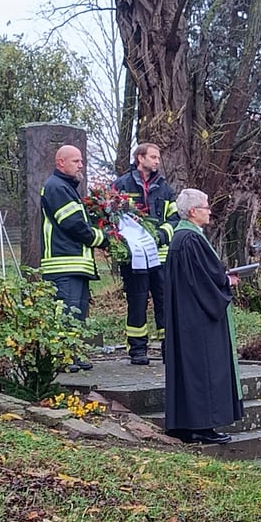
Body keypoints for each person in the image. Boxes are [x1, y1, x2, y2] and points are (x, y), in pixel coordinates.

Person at [162, 188, 243, 444]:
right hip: (198, 318)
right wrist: (226, 280)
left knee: (189, 369)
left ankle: (184, 425)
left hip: (185, 315)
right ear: (194, 211)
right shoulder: (191, 240)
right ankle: (202, 426)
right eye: (206, 207)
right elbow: (205, 280)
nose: (210, 211)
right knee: (203, 368)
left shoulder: (182, 237)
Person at [39, 145, 109, 372]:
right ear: (60, 162)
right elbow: (74, 224)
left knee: (77, 313)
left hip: (75, 263)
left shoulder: (66, 187)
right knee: (67, 312)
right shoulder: (56, 187)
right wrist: (101, 238)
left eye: (81, 161)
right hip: (63, 263)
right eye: (76, 161)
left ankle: (73, 353)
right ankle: (63, 357)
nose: (81, 165)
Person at [112, 143, 180, 365]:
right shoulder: (121, 185)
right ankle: (138, 350)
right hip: (134, 258)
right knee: (137, 302)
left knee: (164, 302)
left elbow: (174, 218)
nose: (157, 161)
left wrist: (161, 235)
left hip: (160, 257)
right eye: (153, 157)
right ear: (140, 158)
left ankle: (168, 348)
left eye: (158, 157)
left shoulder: (164, 188)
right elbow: (112, 218)